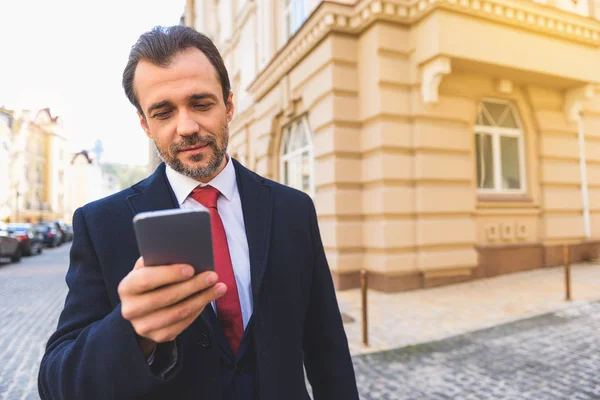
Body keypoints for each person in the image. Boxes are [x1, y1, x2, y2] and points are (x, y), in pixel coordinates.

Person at [38, 25, 359, 400]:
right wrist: (132, 330)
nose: (186, 127)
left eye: (201, 103)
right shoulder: (101, 224)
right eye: (163, 112)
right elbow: (57, 383)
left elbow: (326, 347)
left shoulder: (293, 209)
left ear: (229, 104)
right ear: (145, 124)